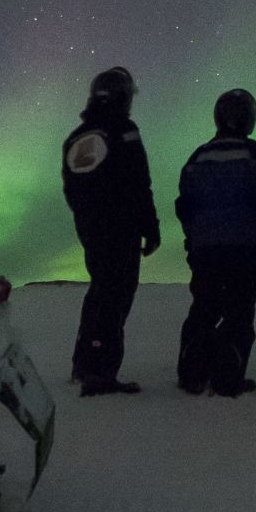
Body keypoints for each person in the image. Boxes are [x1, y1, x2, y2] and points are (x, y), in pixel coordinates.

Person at [173, 88, 256, 396]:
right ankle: (227, 376)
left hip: (204, 249)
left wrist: (192, 238)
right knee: (239, 310)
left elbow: (185, 204)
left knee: (204, 307)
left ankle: (192, 373)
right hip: (243, 248)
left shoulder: (199, 156)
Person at [62, 66, 162, 396]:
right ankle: (101, 371)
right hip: (121, 228)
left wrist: (89, 219)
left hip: (91, 229)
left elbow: (71, 190)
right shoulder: (124, 130)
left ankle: (84, 362)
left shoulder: (75, 138)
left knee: (100, 291)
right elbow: (138, 182)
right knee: (116, 294)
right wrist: (150, 225)